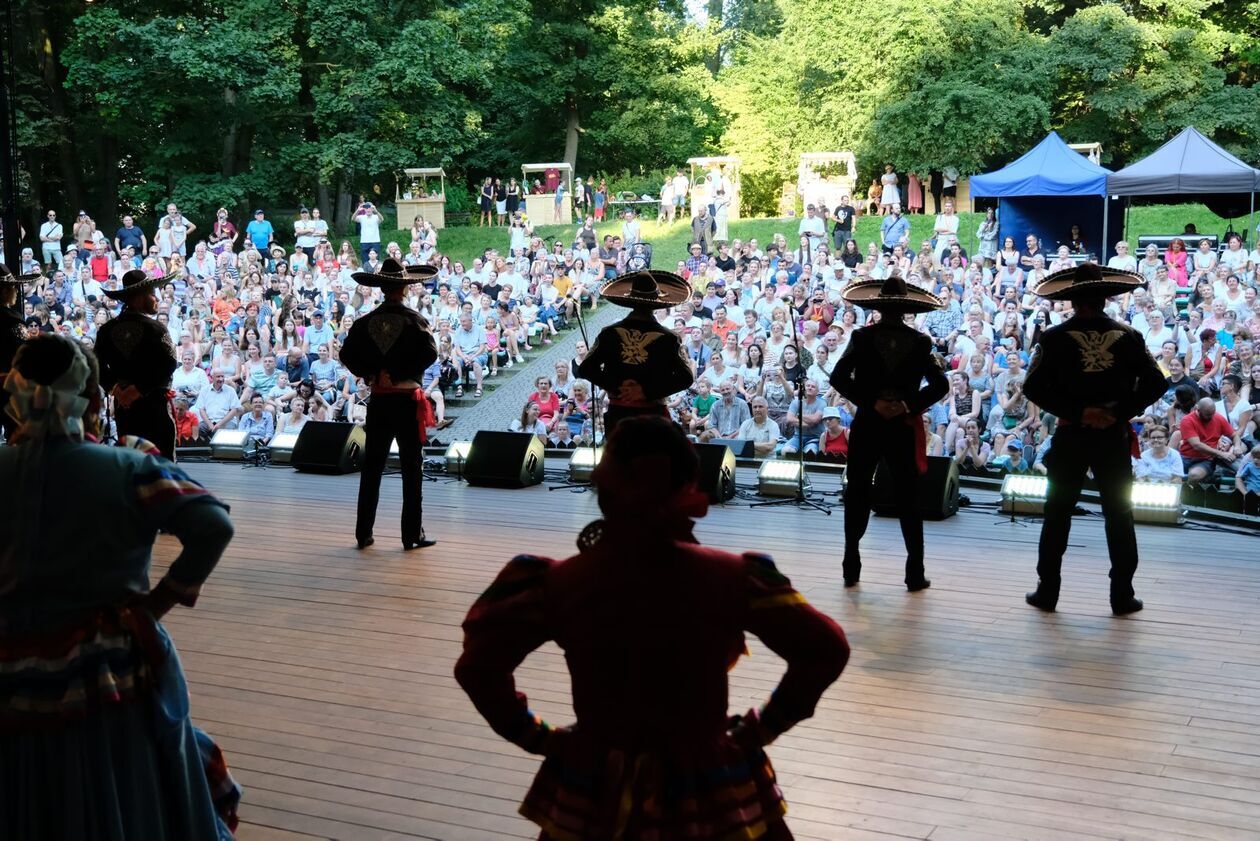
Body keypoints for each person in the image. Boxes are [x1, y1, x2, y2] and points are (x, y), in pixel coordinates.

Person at [455, 416, 850, 841]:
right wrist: (761, 728)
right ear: (688, 485)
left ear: (603, 487)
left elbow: (479, 669)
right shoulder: (736, 577)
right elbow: (826, 648)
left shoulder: (554, 582)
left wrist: (540, 738)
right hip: (710, 776)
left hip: (595, 779)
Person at [0, 334, 239, 839]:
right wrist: (157, 603)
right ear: (91, 399)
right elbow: (212, 524)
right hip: (109, 667)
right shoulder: (129, 467)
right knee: (124, 780)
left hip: (9, 666)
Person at [1022, 263, 1167, 615]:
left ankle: (1048, 592)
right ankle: (1122, 595)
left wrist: (1077, 411)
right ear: (1105, 299)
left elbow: (1032, 387)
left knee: (1057, 512)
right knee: (1119, 514)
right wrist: (1117, 412)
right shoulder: (1130, 336)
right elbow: (1157, 383)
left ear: (1072, 301)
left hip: (1071, 436)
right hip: (1112, 438)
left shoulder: (1054, 338)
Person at [830, 276, 948, 590]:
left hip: (869, 422)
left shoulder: (861, 337)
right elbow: (941, 385)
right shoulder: (921, 342)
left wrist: (871, 402)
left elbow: (839, 377)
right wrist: (907, 404)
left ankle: (850, 565)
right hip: (900, 425)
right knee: (909, 496)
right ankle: (914, 572)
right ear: (907, 308)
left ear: (879, 307)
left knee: (857, 489)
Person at [340, 258, 439, 551]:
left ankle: (363, 533)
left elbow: (347, 354)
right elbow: (429, 355)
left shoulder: (363, 322)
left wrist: (372, 374)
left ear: (381, 288)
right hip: (406, 400)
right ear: (404, 290)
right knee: (411, 468)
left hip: (379, 401)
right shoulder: (415, 321)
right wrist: (399, 373)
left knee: (372, 467)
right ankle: (411, 535)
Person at [577, 270, 694, 430]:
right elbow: (685, 378)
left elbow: (586, 368)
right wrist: (647, 392)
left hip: (619, 413)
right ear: (656, 303)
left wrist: (617, 388)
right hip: (653, 416)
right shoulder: (669, 338)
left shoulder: (609, 333)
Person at [95, 268, 180, 458]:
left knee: (131, 461)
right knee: (161, 463)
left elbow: (95, 364)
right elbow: (169, 363)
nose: (156, 298)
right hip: (154, 406)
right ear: (140, 297)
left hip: (124, 406)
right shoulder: (156, 328)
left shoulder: (106, 330)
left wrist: (118, 390)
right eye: (151, 293)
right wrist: (139, 389)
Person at [0, 265, 35, 439]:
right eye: (13, 287)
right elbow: (27, 353)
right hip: (8, 388)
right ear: (5, 290)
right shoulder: (11, 321)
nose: (15, 290)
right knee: (17, 436)